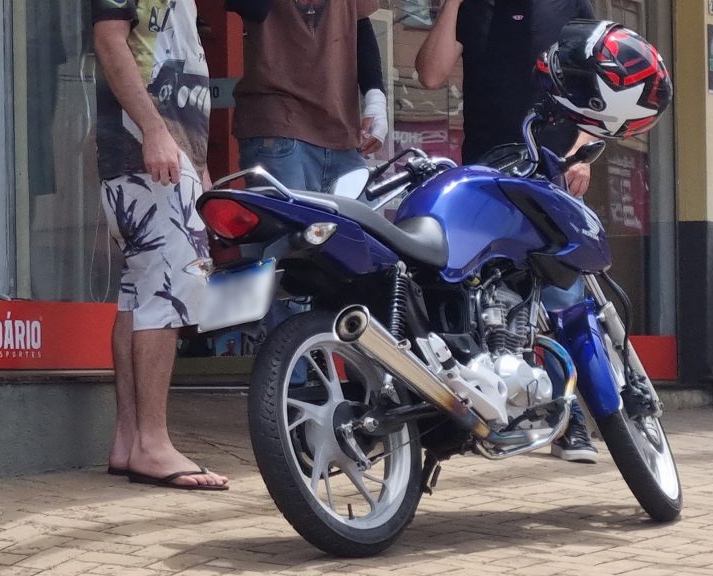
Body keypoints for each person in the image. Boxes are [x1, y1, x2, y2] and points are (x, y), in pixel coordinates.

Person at [416, 0, 601, 463]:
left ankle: (570, 416)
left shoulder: (566, 5)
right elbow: (430, 75)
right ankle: (493, 410)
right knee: (491, 298)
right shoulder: (475, 8)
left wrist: (582, 150)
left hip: (554, 168)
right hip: (486, 171)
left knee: (561, 296)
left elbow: (598, 81)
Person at [93, 0, 228, 490]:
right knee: (167, 286)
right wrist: (153, 131)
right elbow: (109, 39)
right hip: (144, 146)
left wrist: (197, 159)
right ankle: (153, 443)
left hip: (166, 147)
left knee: (139, 290)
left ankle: (131, 441)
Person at [230, 0, 388, 193]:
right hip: (279, 125)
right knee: (290, 222)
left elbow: (360, 23)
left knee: (359, 222)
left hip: (341, 132)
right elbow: (252, 8)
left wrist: (375, 97)